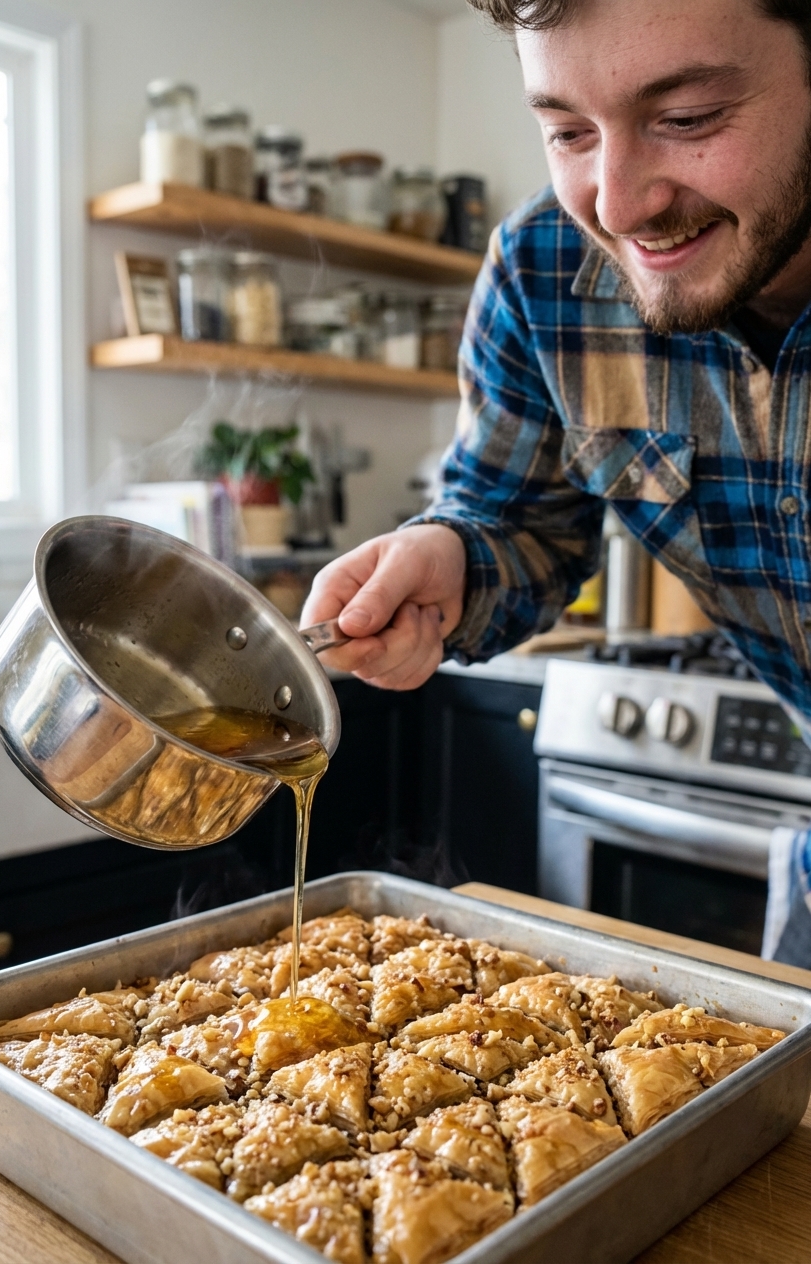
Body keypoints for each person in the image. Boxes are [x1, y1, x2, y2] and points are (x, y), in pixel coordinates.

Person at [300, 0, 811, 963]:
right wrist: (448, 556)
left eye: (688, 118)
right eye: (568, 132)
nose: (616, 206)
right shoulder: (543, 272)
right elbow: (513, 520)